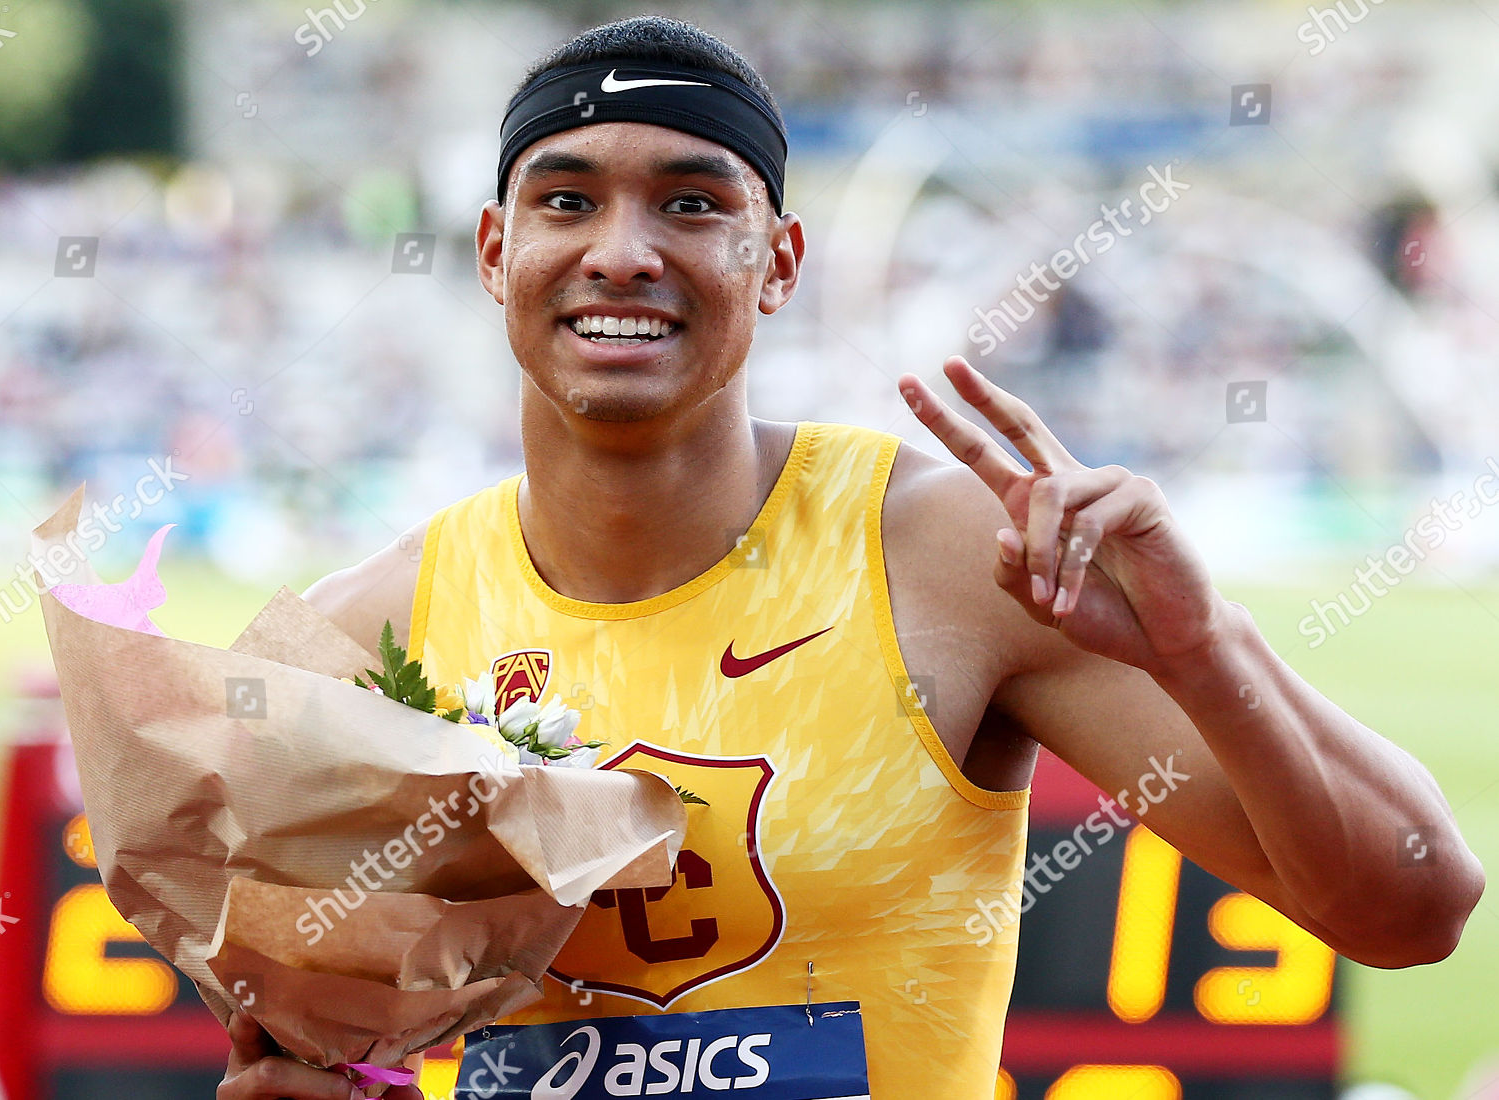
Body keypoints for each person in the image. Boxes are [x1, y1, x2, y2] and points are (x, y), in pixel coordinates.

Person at [218, 15, 1484, 1099]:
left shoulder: (951, 556)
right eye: (566, 199)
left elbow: (1411, 907)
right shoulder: (364, 635)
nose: (620, 249)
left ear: (777, 261)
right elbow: (308, 1039)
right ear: (496, 252)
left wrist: (1206, 650)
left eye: (693, 202)